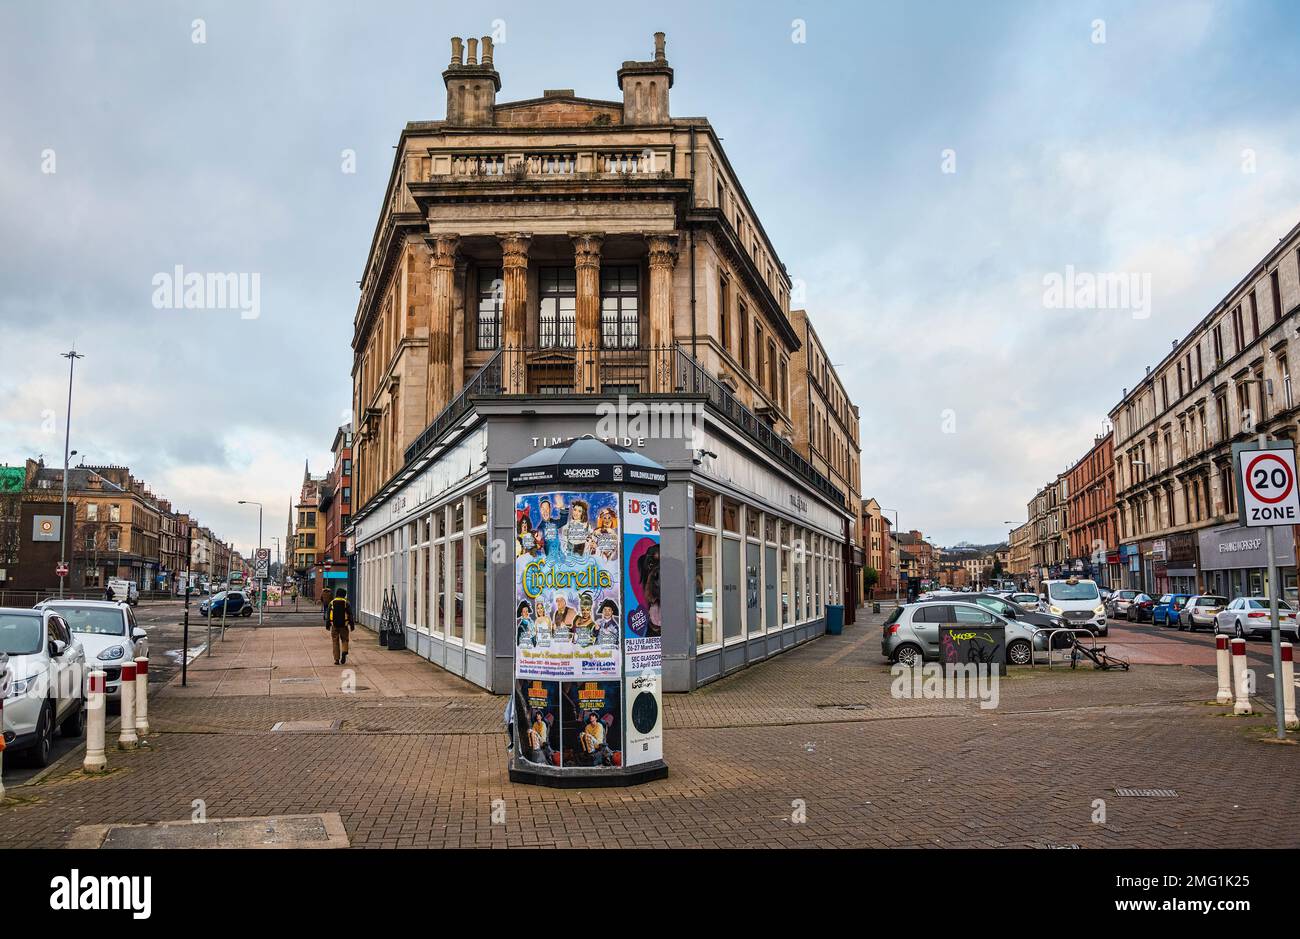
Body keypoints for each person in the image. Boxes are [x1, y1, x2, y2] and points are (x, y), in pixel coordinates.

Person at [325, 586, 355, 665]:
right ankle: (344, 651)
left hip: (334, 625)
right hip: (344, 625)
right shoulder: (346, 603)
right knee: (345, 639)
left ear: (336, 594)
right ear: (344, 595)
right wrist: (352, 625)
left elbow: (328, 615)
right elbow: (350, 614)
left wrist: (328, 624)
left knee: (335, 641)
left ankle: (336, 659)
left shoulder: (332, 603)